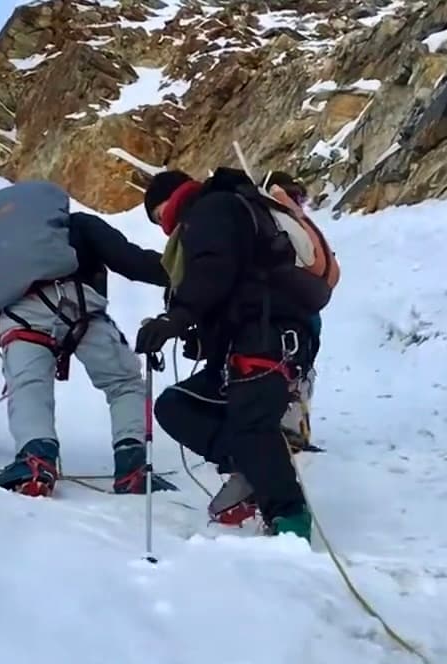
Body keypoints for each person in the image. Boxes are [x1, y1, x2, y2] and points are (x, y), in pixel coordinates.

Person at [136, 167, 331, 541]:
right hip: (258, 338)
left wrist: (177, 317)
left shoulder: (211, 209)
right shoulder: (226, 211)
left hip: (265, 336)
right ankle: (257, 473)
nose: (163, 225)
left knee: (251, 427)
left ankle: (289, 519)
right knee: (177, 406)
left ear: (172, 199)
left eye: (159, 215)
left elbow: (214, 268)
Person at [0, 179, 174, 496]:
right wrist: (188, 269)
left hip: (18, 317)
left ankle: (35, 462)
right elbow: (132, 261)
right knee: (123, 381)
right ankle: (131, 466)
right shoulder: (77, 225)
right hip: (79, 307)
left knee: (28, 386)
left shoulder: (5, 269)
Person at [264, 171, 329, 453]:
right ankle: (290, 428)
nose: (300, 203)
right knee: (295, 367)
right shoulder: (285, 222)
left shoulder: (281, 220)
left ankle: (294, 427)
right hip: (294, 309)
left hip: (296, 308)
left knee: (298, 367)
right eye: (297, 197)